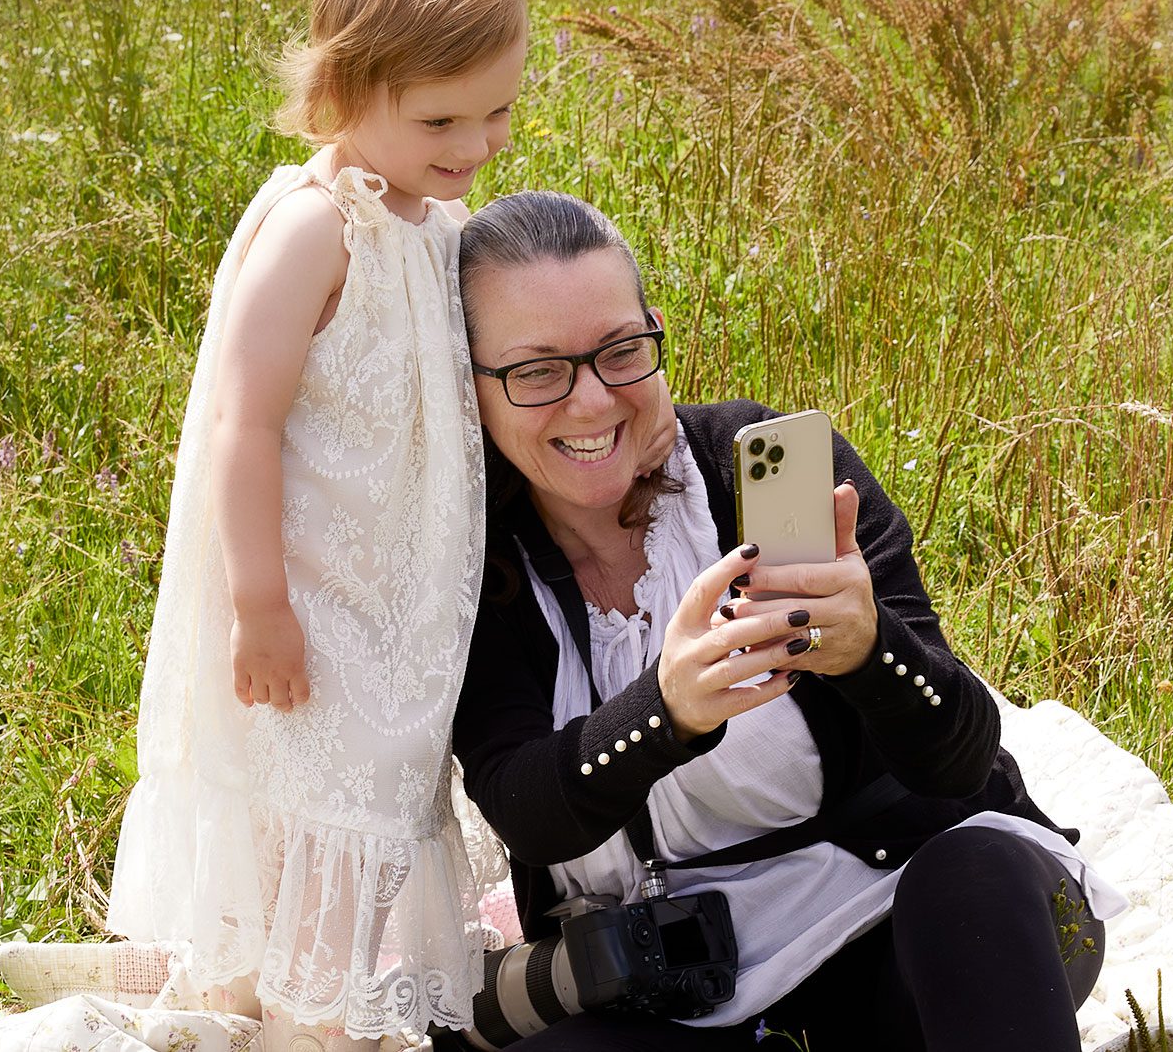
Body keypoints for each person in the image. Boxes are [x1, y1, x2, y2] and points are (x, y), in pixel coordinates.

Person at [446, 192, 1128, 1051]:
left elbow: (958, 756)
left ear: (654, 333)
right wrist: (665, 711)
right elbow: (527, 810)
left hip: (920, 929)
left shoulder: (754, 467)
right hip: (685, 980)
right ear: (469, 387)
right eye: (538, 370)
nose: (592, 403)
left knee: (973, 877)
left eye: (622, 351)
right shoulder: (480, 573)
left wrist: (872, 652)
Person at [105, 0, 528, 1051]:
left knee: (365, 814)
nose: (477, 142)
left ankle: (274, 990)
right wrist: (257, 603)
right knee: (325, 815)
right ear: (344, 93)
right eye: (442, 115)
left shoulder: (431, 221)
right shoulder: (315, 229)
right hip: (309, 601)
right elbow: (244, 419)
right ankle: (307, 1019)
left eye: (497, 110)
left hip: (393, 609)